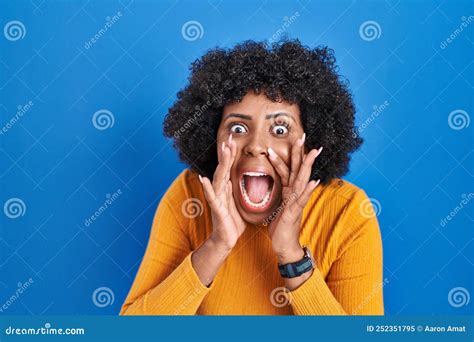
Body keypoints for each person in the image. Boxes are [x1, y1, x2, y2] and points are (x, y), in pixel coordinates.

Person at [120, 39, 384, 315]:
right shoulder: (189, 196)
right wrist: (216, 246)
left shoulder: (346, 211)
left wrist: (291, 255)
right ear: (213, 136)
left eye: (280, 129)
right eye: (237, 127)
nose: (256, 145)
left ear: (309, 142)